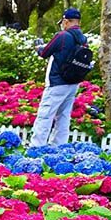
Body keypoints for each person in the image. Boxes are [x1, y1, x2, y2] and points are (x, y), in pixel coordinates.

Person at [30, 8, 89, 147]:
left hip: (57, 82)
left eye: (62, 22)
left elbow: (44, 52)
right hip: (73, 82)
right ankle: (58, 146)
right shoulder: (82, 39)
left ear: (66, 21)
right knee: (63, 116)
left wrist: (38, 47)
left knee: (45, 115)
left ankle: (36, 147)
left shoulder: (62, 36)